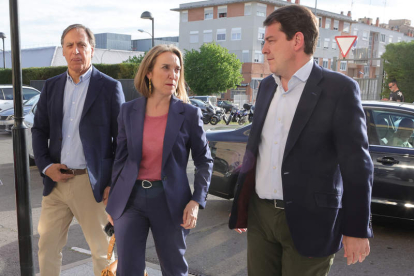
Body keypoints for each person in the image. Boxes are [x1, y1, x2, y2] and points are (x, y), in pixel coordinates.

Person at [229, 5, 374, 276]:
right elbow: (255, 149)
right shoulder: (266, 87)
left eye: (270, 40)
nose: (264, 49)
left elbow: (357, 164)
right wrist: (243, 203)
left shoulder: (339, 89)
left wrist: (356, 229)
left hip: (312, 220)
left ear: (297, 40)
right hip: (261, 215)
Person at [106, 44, 213, 276]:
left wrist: (196, 201)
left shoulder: (189, 114)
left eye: (177, 69)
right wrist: (113, 200)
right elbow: (120, 160)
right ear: (149, 73)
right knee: (128, 270)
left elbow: (205, 161)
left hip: (171, 202)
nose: (172, 74)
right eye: (165, 67)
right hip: (130, 201)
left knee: (174, 270)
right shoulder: (128, 111)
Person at [32, 24, 125, 276]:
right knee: (47, 248)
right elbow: (39, 130)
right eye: (70, 45)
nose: (76, 51)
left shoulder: (109, 87)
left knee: (102, 251)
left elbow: (123, 141)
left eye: (81, 45)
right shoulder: (51, 87)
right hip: (56, 184)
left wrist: (112, 184)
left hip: (92, 186)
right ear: (62, 51)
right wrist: (46, 166)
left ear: (92, 50)